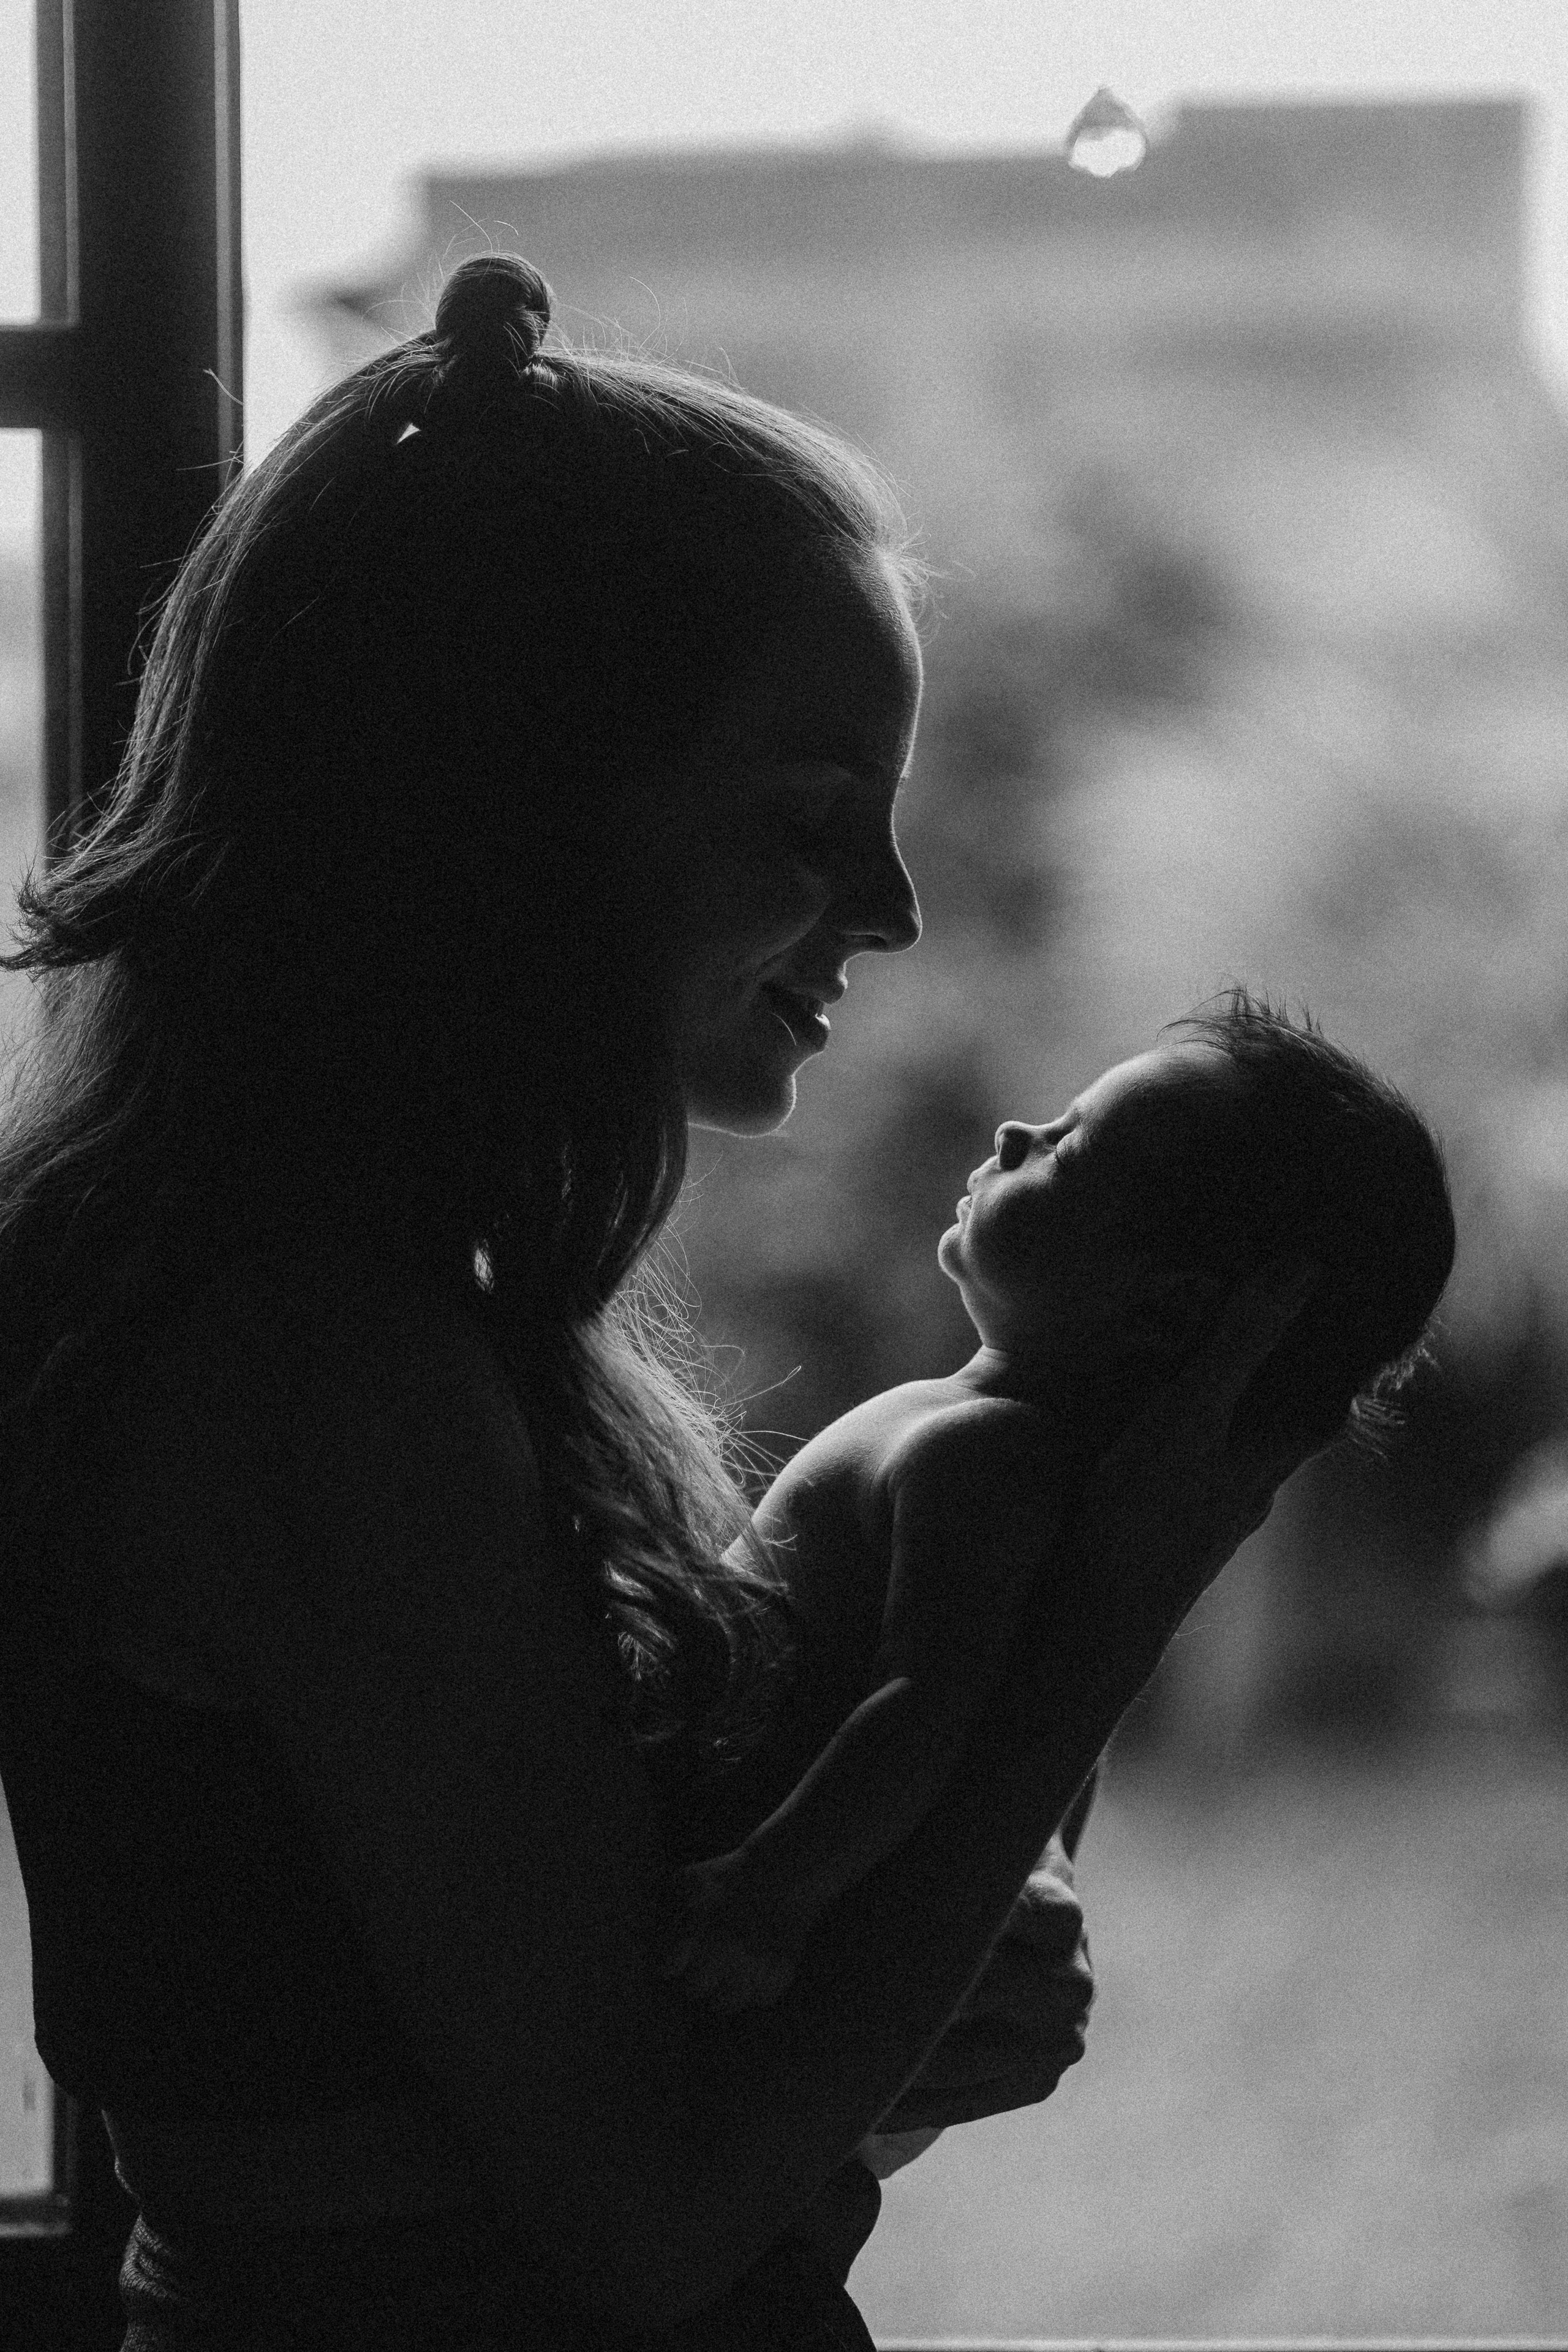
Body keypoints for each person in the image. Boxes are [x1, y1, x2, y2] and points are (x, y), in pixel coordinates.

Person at [0, 254, 1317, 2351]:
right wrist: (1101, 1627)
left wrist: (872, 2043)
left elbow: (507, 2116)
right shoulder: (321, 1375)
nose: (889, 908)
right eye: (815, 817)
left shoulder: (323, 1293)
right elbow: (645, 2234)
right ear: (508, 810)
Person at [661, 992, 1457, 2011]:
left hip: (722, 1909)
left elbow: (924, 1706)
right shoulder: (976, 1437)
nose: (1014, 1133)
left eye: (1067, 1154)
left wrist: (766, 1894)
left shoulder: (982, 1457)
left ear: (1161, 1306)